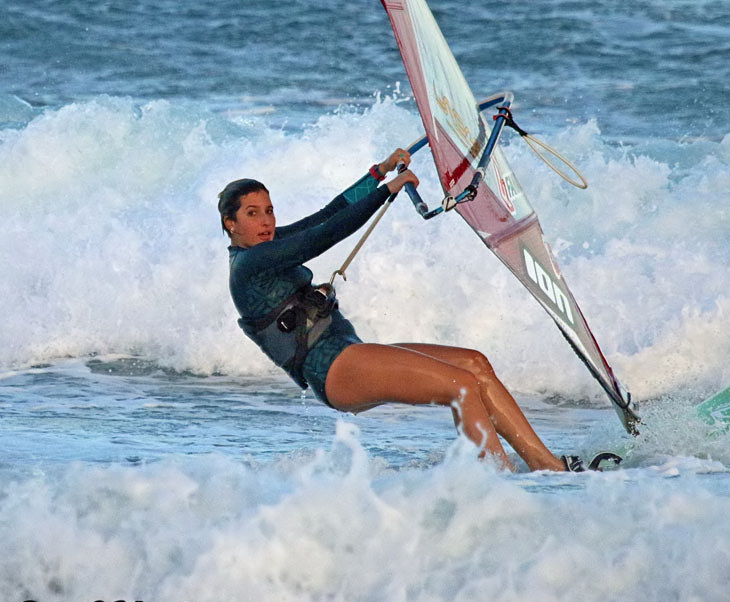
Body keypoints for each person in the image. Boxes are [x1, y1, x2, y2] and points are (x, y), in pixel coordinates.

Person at [221, 148, 586, 473]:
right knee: (460, 386)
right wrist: (386, 192)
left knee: (474, 364)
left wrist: (378, 174)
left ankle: (546, 464)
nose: (266, 221)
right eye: (252, 214)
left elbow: (327, 214)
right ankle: (496, 480)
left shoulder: (268, 243)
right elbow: (323, 236)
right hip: (331, 369)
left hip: (347, 353)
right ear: (231, 224)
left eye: (269, 211)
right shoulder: (250, 264)